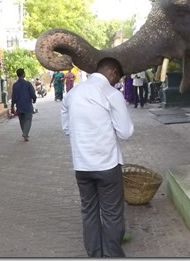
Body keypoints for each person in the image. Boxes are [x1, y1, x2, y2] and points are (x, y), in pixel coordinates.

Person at [61, 57, 134, 257]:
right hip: (107, 166)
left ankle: (94, 255)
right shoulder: (111, 94)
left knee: (89, 212)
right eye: (116, 77)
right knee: (111, 215)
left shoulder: (72, 93)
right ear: (112, 72)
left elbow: (66, 128)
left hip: (82, 166)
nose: (116, 82)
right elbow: (125, 132)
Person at [11, 68, 37, 142]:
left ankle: (24, 133)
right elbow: (33, 94)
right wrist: (34, 99)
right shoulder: (28, 84)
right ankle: (25, 133)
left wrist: (12, 107)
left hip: (19, 106)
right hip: (27, 105)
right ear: (23, 74)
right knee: (28, 119)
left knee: (22, 120)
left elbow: (13, 97)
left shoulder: (15, 85)